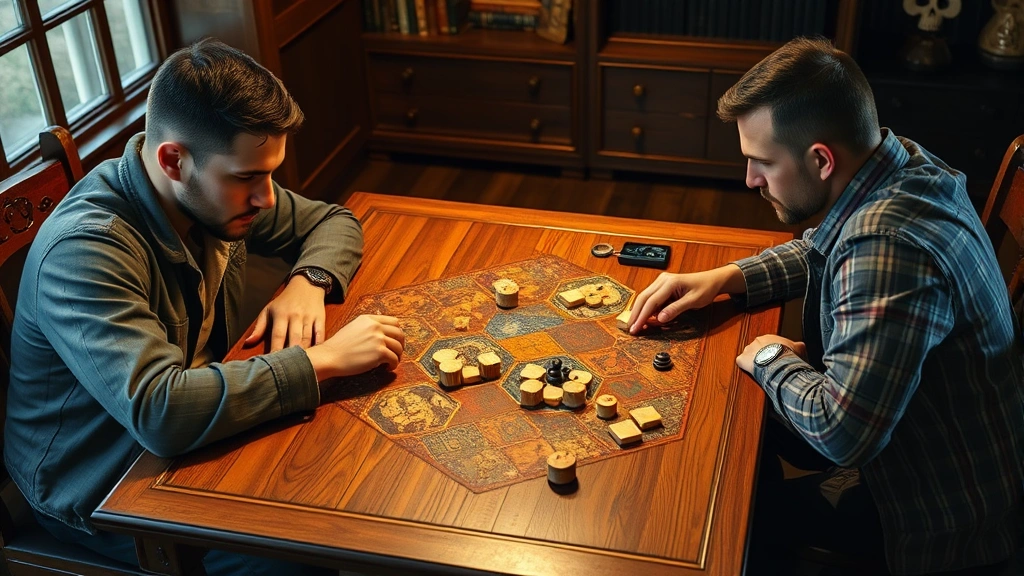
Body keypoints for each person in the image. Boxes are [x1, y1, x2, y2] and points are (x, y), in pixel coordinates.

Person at [4, 39, 405, 575]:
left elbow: (332, 221)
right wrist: (323, 360)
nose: (267, 198)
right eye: (247, 177)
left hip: (184, 430)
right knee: (310, 549)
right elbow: (161, 412)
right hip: (98, 486)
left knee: (355, 487)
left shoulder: (204, 191)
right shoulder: (84, 251)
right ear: (173, 160)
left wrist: (307, 281)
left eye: (270, 173)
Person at [628, 37, 1024, 575]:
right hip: (935, 454)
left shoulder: (888, 247)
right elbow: (826, 246)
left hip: (938, 522)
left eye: (763, 162)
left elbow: (841, 433)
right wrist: (725, 278)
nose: (750, 179)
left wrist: (769, 356)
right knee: (743, 436)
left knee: (723, 512)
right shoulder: (901, 163)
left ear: (820, 160)